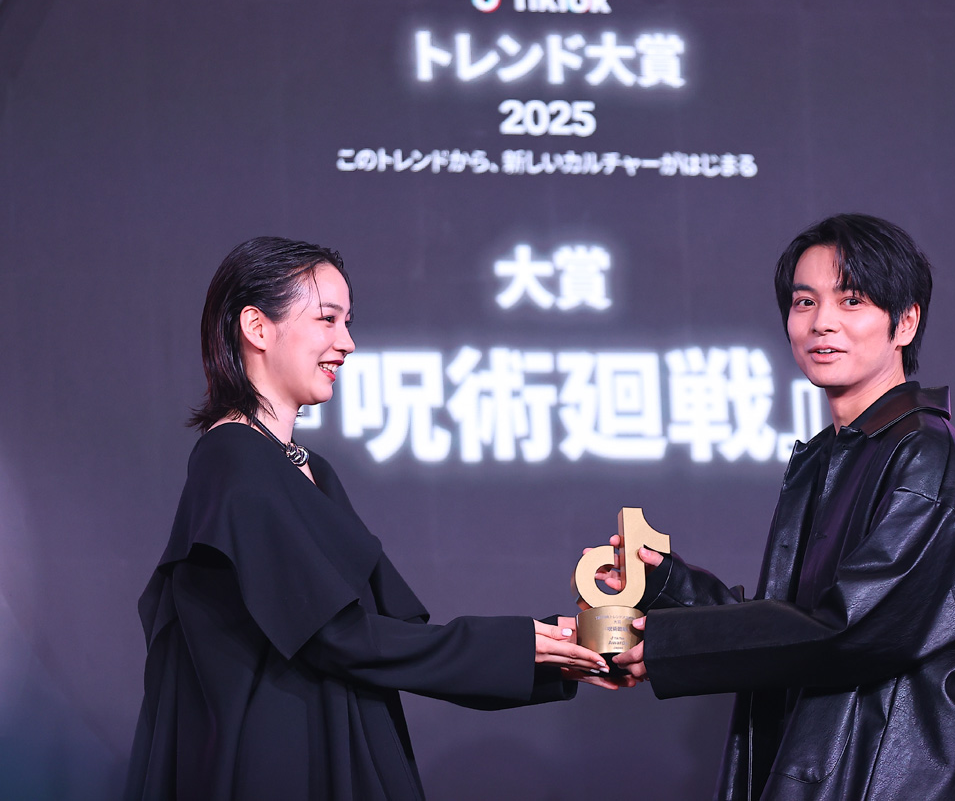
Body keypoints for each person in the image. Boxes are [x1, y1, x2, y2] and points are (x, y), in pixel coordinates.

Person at [125, 237, 617, 801]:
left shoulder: (309, 468)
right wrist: (522, 646)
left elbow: (393, 638)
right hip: (282, 762)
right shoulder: (233, 460)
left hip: (336, 741)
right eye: (327, 319)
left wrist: (566, 648)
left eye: (348, 322)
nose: (347, 343)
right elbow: (339, 637)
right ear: (257, 327)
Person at [605, 214, 955, 800]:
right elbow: (793, 623)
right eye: (804, 302)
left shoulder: (923, 453)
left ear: (905, 322)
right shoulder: (832, 455)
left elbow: (850, 630)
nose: (822, 322)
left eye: (852, 300)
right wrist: (664, 587)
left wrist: (671, 645)